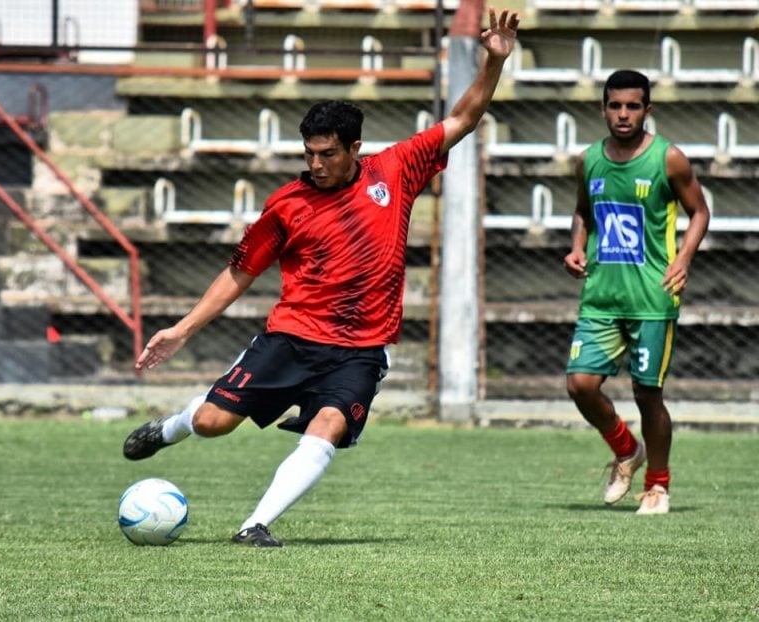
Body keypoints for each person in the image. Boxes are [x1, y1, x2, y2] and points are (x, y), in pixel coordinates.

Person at [123, 7, 521, 546]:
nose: (315, 164)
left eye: (327, 153)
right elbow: (240, 272)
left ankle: (253, 525)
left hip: (360, 349)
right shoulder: (286, 205)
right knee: (215, 422)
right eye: (308, 153)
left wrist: (492, 63)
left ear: (354, 148)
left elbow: (464, 119)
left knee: (328, 426)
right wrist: (183, 329)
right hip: (290, 337)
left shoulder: (396, 170)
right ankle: (168, 428)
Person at [563, 69, 710, 515]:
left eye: (632, 106)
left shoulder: (669, 159)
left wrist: (683, 259)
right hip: (601, 297)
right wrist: (575, 246)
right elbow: (583, 212)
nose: (623, 114)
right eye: (615, 105)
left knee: (648, 394)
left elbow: (699, 212)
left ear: (648, 110)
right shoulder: (589, 160)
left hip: (652, 298)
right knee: (580, 384)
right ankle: (627, 449)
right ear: (603, 108)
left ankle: (658, 485)